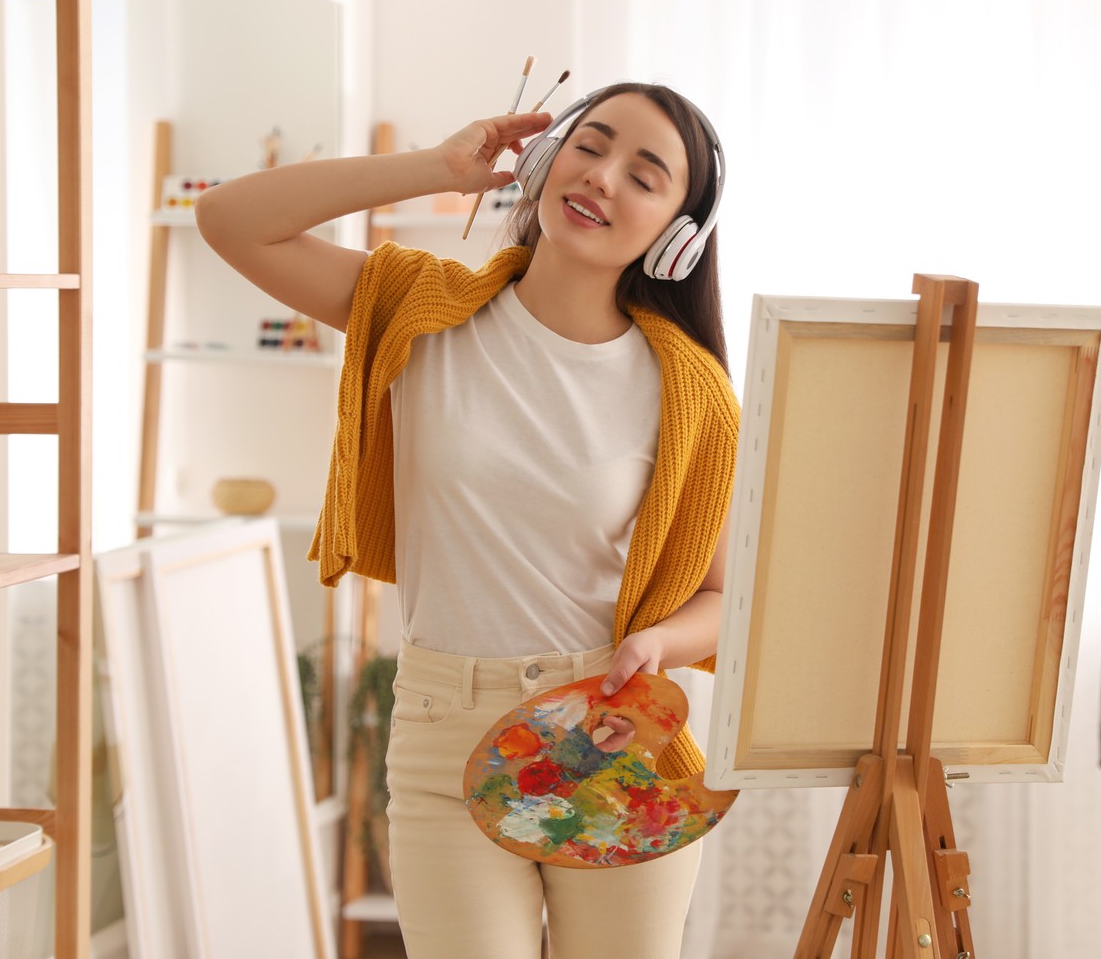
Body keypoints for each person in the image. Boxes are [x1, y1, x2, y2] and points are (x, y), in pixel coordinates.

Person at [196, 81, 738, 959]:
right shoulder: (419, 308)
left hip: (608, 728)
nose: (601, 177)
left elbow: (720, 595)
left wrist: (660, 646)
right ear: (547, 157)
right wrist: (437, 168)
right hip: (446, 734)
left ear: (681, 232)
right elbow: (229, 218)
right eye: (589, 145)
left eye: (645, 174)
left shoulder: (691, 389)